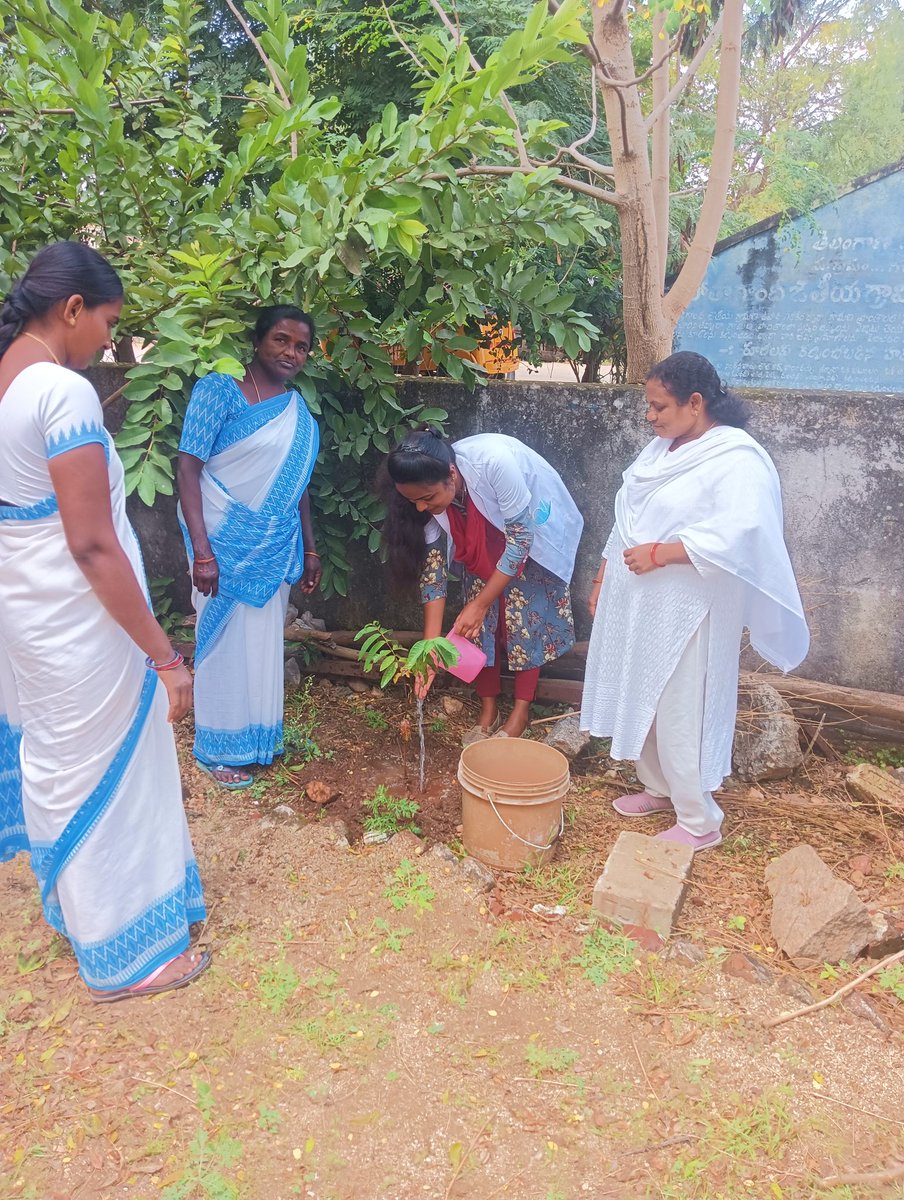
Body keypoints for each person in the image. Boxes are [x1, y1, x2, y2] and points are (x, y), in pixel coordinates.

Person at [0, 242, 209, 1002]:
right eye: (109, 323)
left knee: (59, 757)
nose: (109, 343)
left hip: (27, 613)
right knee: (111, 769)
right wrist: (163, 655)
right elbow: (91, 543)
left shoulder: (7, 382)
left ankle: (80, 908)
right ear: (73, 309)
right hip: (81, 624)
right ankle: (129, 958)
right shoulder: (61, 392)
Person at [580, 351, 809, 852]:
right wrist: (602, 577)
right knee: (642, 694)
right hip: (640, 604)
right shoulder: (660, 450)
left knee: (681, 706)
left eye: (659, 406)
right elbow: (627, 517)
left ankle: (700, 821)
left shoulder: (736, 458)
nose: (650, 416)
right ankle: (660, 789)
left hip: (689, 610)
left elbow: (742, 532)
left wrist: (661, 555)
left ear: (695, 403)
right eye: (649, 405)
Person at [177, 305, 321, 787]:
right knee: (220, 642)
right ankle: (218, 744)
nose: (291, 353)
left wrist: (312, 549)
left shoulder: (296, 412)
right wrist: (202, 551)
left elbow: (297, 485)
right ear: (259, 341)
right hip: (219, 544)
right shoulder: (218, 390)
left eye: (301, 346)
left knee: (262, 640)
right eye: (281, 340)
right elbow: (188, 469)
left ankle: (260, 738)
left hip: (274, 547)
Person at [382, 427, 583, 742]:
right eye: (413, 501)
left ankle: (520, 711)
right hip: (477, 537)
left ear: (451, 474)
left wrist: (479, 605)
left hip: (526, 534)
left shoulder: (492, 462)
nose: (420, 507)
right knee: (477, 628)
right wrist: (429, 649)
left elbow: (520, 539)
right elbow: (433, 568)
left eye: (427, 498)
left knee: (524, 618)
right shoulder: (429, 496)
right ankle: (488, 708)